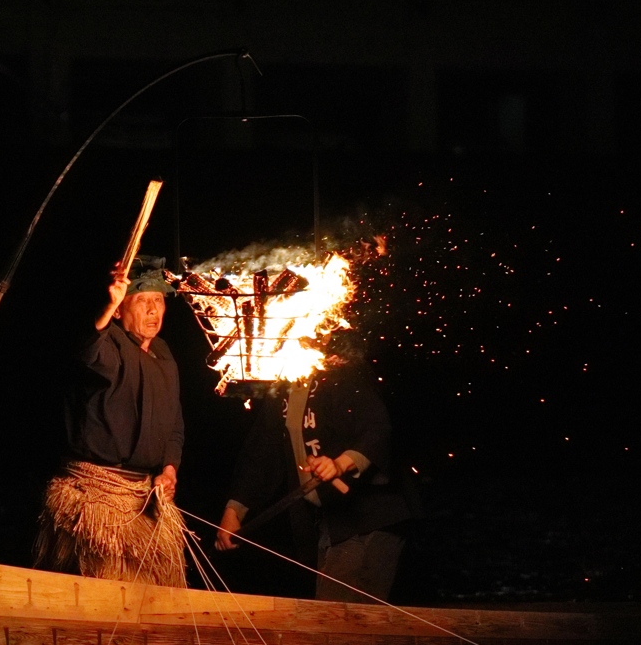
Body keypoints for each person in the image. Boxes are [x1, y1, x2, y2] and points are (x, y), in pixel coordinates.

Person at [214, 329, 416, 603]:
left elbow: (377, 429)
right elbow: (262, 452)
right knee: (334, 618)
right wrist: (234, 510)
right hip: (329, 524)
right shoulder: (284, 385)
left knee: (339, 621)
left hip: (369, 519)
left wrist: (341, 464)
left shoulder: (346, 375)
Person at [34, 257, 187, 587]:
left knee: (154, 599)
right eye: (141, 300)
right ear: (120, 311)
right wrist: (108, 304)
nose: (152, 310)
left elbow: (174, 422)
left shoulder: (164, 355)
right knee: (101, 590)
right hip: (97, 497)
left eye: (158, 301)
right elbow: (86, 347)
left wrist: (169, 469)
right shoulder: (108, 343)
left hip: (144, 499)